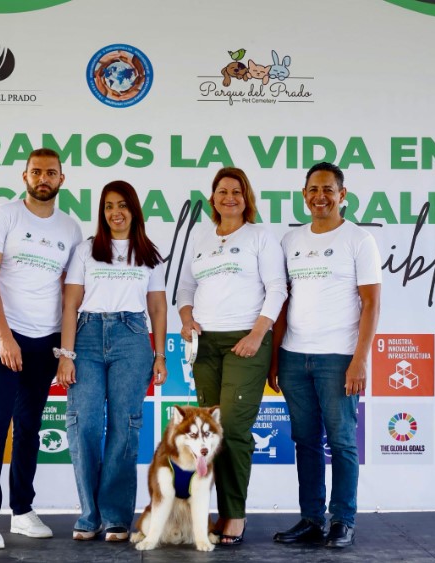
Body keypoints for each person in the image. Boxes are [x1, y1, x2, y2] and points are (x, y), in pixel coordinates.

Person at [0, 148, 83, 550]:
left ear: (61, 179)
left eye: (50, 172)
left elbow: (70, 292)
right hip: (1, 334)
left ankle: (21, 511)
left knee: (29, 428)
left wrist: (63, 347)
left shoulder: (71, 229)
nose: (43, 178)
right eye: (36, 172)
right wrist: (4, 336)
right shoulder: (3, 216)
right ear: (24, 176)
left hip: (44, 341)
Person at [269, 162, 381, 549]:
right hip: (294, 356)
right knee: (306, 441)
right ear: (304, 195)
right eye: (313, 189)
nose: (321, 196)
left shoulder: (359, 240)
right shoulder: (290, 241)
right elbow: (280, 303)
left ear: (342, 195)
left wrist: (359, 360)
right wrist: (274, 359)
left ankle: (343, 520)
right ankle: (312, 519)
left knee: (342, 441)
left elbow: (371, 304)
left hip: (338, 358)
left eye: (328, 190)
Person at [176, 167, 286, 546]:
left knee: (235, 431)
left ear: (247, 197)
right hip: (205, 345)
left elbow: (276, 288)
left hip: (246, 341)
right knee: (211, 434)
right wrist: (187, 317)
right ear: (213, 199)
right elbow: (186, 286)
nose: (229, 197)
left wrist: (258, 333)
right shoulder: (201, 236)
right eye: (222, 191)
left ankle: (234, 516)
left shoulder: (260, 237)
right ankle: (217, 511)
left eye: (236, 192)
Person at [56, 180, 168, 542]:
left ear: (134, 210)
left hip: (132, 338)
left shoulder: (149, 253)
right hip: (86, 338)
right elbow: (71, 304)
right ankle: (89, 515)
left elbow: (157, 307)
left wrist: (160, 354)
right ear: (102, 213)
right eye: (108, 206)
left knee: (125, 427)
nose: (115, 212)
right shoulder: (87, 250)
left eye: (122, 205)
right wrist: (66, 355)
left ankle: (117, 517)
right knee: (83, 423)